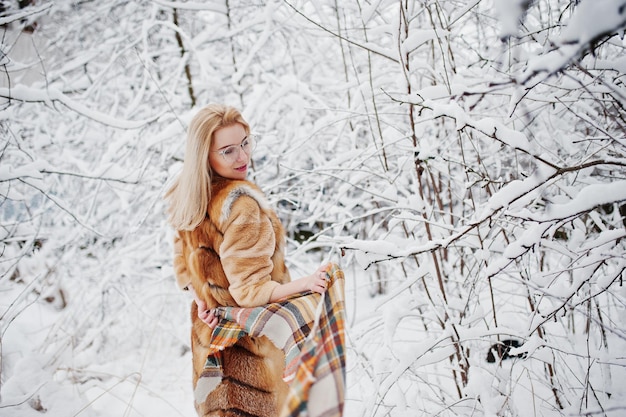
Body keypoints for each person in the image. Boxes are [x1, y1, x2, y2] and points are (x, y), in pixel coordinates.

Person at [164, 104, 330, 417]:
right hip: (255, 361)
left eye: (245, 143)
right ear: (205, 156)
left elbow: (185, 269)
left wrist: (202, 298)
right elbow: (250, 293)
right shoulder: (241, 205)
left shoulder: (189, 197)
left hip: (212, 355)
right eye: (227, 151)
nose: (242, 157)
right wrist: (307, 284)